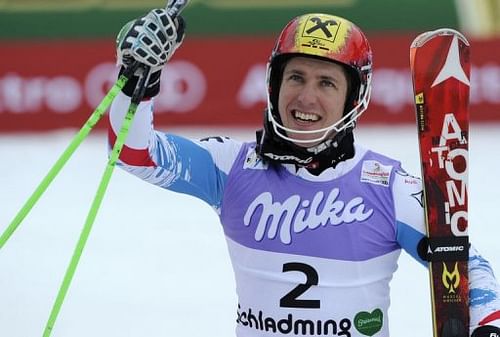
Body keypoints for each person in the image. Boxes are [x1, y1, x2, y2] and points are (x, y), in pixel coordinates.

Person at [109, 8, 500, 337]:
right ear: (273, 83)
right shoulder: (231, 167)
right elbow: (132, 152)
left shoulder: (389, 187)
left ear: (354, 97)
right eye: (295, 77)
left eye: (326, 83)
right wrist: (136, 81)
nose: (306, 97)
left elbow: (469, 268)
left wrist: (486, 327)